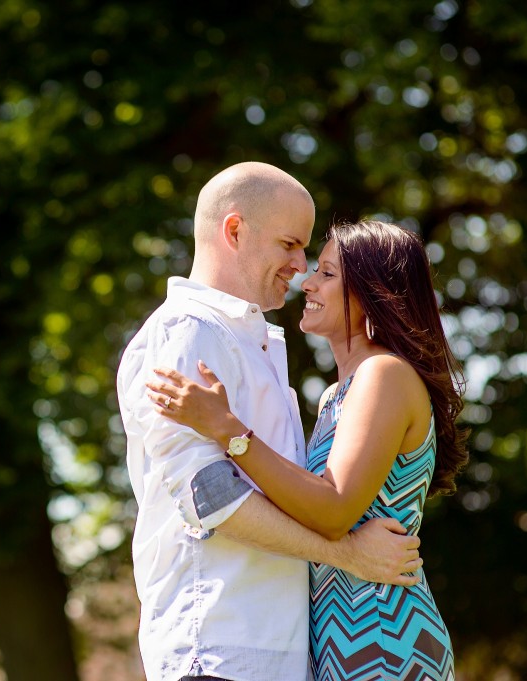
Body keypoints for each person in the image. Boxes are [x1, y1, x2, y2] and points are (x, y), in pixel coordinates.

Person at [116, 164, 424, 681]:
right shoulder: (188, 333)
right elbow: (210, 497)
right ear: (234, 231)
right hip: (216, 649)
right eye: (289, 245)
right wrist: (350, 554)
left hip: (273, 657)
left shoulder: (251, 340)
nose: (299, 267)